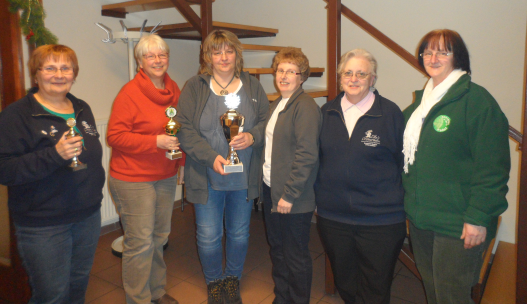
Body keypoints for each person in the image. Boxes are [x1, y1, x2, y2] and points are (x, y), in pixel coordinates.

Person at [402, 29, 510, 304]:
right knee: (432, 289)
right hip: (421, 220)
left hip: (458, 223)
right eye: (428, 51)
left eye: (443, 51)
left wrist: (478, 217)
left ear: (457, 57)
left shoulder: (477, 102)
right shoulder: (420, 106)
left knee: (453, 296)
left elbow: (493, 169)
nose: (433, 57)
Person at [0, 44, 104, 303]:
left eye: (65, 68)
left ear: (74, 74)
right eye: (50, 68)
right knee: (52, 295)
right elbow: (6, 170)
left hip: (87, 216)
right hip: (44, 224)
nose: (59, 74)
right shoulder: (17, 115)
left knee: (78, 284)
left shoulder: (81, 108)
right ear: (36, 75)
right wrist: (54, 155)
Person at [176, 29, 269, 304]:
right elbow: (184, 129)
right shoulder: (195, 86)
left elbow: (266, 120)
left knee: (240, 233)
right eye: (217, 51)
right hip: (206, 176)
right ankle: (214, 282)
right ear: (208, 56)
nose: (223, 57)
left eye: (229, 50)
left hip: (243, 175)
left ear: (236, 53)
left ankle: (233, 279)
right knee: (208, 235)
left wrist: (253, 136)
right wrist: (210, 156)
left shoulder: (252, 86)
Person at [315, 49, 406, 304]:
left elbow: (403, 163)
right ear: (340, 77)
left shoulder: (390, 114)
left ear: (372, 79)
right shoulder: (325, 112)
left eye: (361, 74)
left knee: (375, 288)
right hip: (334, 219)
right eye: (348, 73)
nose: (353, 79)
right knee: (346, 283)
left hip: (380, 221)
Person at [107, 34, 184, 304]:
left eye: (161, 54)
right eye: (150, 56)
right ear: (140, 61)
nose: (157, 60)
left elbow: (182, 131)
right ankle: (138, 299)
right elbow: (115, 137)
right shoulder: (129, 93)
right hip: (132, 178)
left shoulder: (175, 90)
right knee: (139, 242)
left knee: (159, 237)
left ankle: (156, 291)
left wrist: (181, 162)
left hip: (164, 175)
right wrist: (155, 142)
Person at [260, 47, 321, 304]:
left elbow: (307, 155)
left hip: (292, 197)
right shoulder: (278, 103)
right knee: (278, 251)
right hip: (271, 189)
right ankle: (282, 298)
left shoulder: (305, 106)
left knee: (295, 255)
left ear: (302, 76)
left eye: (290, 71)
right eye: (280, 70)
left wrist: (289, 195)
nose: (283, 75)